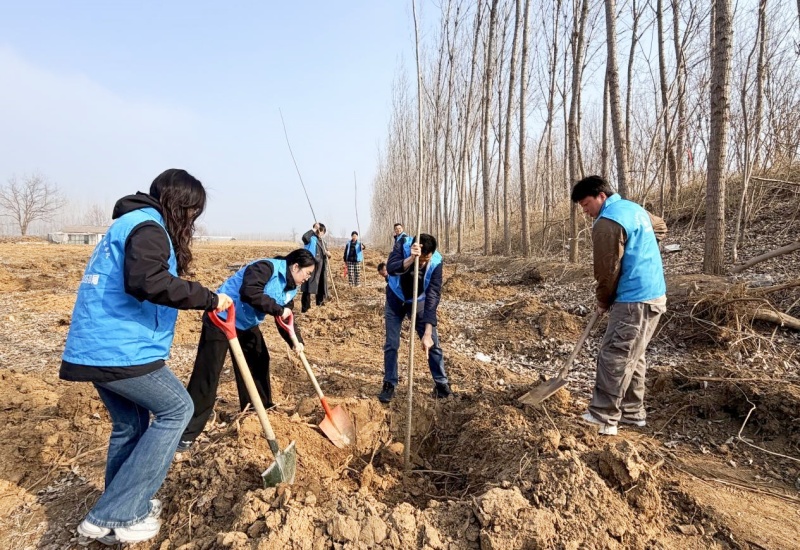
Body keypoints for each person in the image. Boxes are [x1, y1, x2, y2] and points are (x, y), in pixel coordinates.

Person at [60, 169, 233, 545]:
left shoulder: (131, 223)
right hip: (118, 350)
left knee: (131, 426)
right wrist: (208, 297)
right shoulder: (149, 228)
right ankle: (117, 512)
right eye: (192, 213)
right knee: (178, 410)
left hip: (95, 347)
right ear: (179, 204)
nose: (191, 222)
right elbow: (148, 281)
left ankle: (119, 508)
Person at [179, 249, 315, 450]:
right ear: (295, 266)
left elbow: (285, 318)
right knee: (208, 374)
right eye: (308, 273)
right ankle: (187, 432)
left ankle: (258, 411)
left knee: (259, 359)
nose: (308, 278)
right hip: (221, 317)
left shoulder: (291, 287)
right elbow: (250, 292)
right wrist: (278, 309)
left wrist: (295, 341)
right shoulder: (265, 268)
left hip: (245, 323)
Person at [571, 175, 667, 436]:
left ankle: (603, 416)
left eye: (586, 204)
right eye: (581, 207)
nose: (586, 211)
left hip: (634, 298)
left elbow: (607, 270)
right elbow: (660, 227)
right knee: (633, 355)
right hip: (652, 295)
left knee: (614, 354)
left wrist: (603, 299)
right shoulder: (634, 209)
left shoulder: (607, 222)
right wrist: (642, 253)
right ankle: (632, 413)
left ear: (601, 196)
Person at [379, 233, 452, 403]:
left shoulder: (436, 262)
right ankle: (389, 383)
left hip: (418, 302)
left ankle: (442, 384)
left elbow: (433, 296)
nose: (425, 262)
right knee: (392, 343)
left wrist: (427, 332)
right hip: (395, 299)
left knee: (432, 342)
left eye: (427, 258)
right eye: (423, 259)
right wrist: (412, 259)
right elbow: (391, 268)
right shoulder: (402, 245)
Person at [301, 222, 330, 312]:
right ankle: (306, 309)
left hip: (321, 267)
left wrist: (329, 254)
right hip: (311, 265)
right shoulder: (311, 238)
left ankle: (320, 305)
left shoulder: (323, 242)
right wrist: (314, 228)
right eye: (321, 231)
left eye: (323, 232)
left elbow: (326, 253)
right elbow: (304, 237)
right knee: (308, 288)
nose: (321, 233)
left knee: (321, 287)